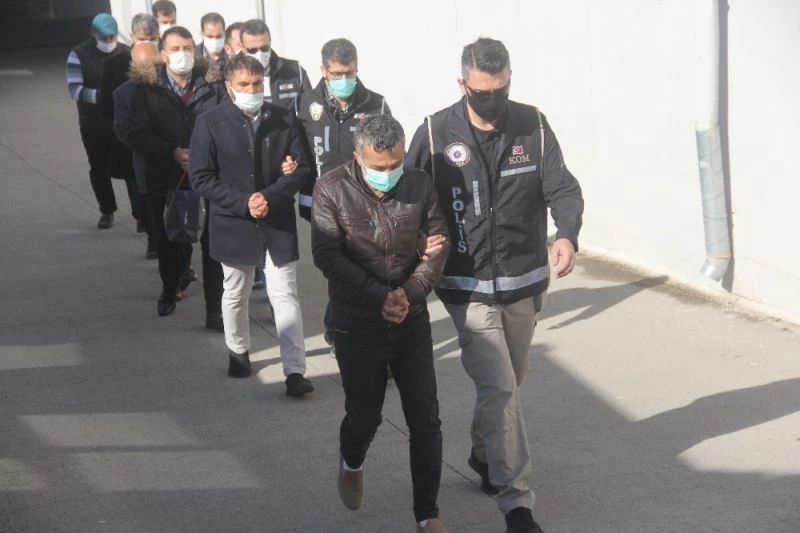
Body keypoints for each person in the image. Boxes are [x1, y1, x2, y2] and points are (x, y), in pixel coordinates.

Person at [406, 38, 584, 533]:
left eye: (500, 91)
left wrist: (566, 234)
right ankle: (517, 504)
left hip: (524, 281)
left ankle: (484, 453)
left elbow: (562, 187)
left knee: (510, 380)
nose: (492, 101)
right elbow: (407, 194)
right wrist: (415, 245)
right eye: (482, 93)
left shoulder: (533, 126)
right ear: (462, 85)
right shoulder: (435, 132)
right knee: (501, 387)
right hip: (466, 287)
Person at [311, 114, 450, 533]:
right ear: (358, 156)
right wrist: (380, 296)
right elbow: (327, 255)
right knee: (364, 416)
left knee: (425, 418)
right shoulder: (331, 189)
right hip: (357, 322)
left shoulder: (420, 185)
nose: (388, 174)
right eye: (378, 166)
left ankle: (427, 513)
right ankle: (351, 461)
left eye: (395, 165)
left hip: (411, 319)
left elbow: (439, 245)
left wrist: (408, 293)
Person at [188, 54, 314, 396]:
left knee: (284, 293)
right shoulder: (209, 122)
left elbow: (303, 168)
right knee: (236, 291)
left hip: (276, 220)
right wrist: (244, 202)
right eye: (244, 84)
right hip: (234, 222)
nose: (252, 89)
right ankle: (238, 351)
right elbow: (201, 177)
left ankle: (295, 370)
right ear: (229, 87)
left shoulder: (283, 119)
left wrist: (270, 196)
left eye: (257, 83)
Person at [125, 26, 225, 325]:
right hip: (165, 178)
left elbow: (226, 125)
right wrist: (171, 152)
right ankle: (170, 288)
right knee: (169, 241)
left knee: (211, 244)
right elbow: (135, 133)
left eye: (187, 48)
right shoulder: (146, 89)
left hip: (207, 177)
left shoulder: (213, 86)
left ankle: (214, 309)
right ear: (163, 55)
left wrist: (202, 154)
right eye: (176, 49)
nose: (183, 55)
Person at [294, 37, 390, 345]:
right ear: (323, 71)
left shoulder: (376, 104)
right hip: (321, 204)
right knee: (338, 267)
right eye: (337, 74)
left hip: (363, 203)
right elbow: (296, 150)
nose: (344, 80)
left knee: (357, 266)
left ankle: (342, 329)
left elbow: (389, 150)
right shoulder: (305, 106)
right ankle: (338, 324)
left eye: (349, 73)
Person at [66, 13, 134, 230]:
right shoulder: (78, 55)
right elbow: (75, 90)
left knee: (132, 170)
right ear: (93, 33)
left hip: (123, 122)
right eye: (104, 38)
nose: (108, 42)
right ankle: (107, 209)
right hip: (93, 123)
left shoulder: (126, 52)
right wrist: (107, 97)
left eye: (112, 37)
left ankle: (141, 215)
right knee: (99, 168)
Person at [112, 40, 160, 259]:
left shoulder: (171, 87)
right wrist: (144, 143)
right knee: (148, 205)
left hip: (177, 161)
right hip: (146, 161)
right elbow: (121, 129)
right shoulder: (124, 93)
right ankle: (153, 240)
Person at [239, 19, 311, 112]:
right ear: (242, 47)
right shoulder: (230, 76)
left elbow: (309, 109)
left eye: (264, 48)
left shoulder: (295, 71)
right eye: (252, 50)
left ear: (270, 41)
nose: (259, 54)